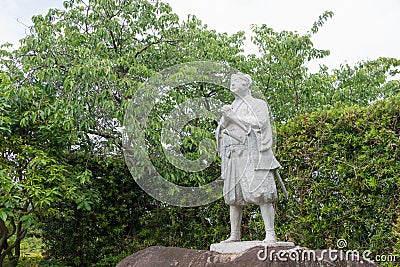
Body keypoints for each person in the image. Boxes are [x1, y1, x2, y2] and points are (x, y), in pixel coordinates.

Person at [216, 72, 281, 243]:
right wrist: (223, 122)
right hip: (232, 155)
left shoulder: (258, 104)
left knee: (262, 192)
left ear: (247, 85)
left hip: (251, 154)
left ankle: (270, 233)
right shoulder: (232, 106)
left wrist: (233, 118)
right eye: (232, 81)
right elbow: (222, 130)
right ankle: (234, 234)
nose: (233, 84)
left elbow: (260, 122)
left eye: (237, 81)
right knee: (233, 196)